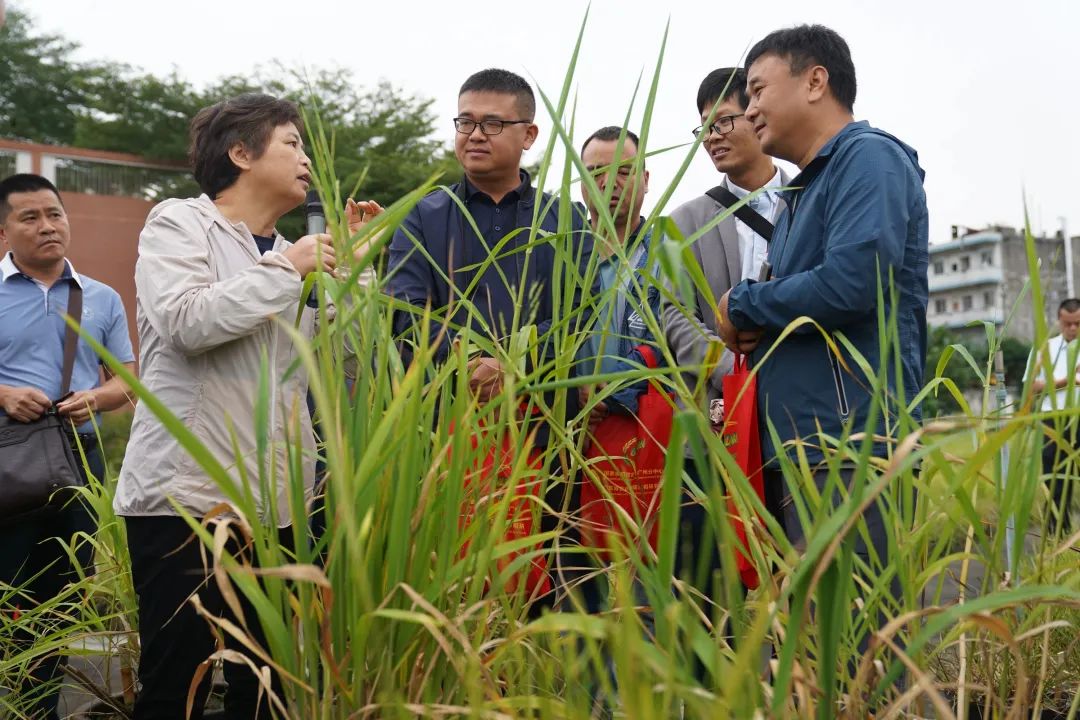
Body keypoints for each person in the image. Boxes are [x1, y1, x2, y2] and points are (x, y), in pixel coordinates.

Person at [114, 93, 380, 718]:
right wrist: (289, 266)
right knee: (178, 685)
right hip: (185, 502)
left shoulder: (296, 253)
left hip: (278, 508)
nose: (306, 159)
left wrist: (357, 273)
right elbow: (185, 320)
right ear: (240, 153)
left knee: (269, 689)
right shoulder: (179, 222)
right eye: (291, 143)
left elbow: (345, 361)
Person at [715, 25, 929, 640]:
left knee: (859, 637)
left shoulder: (869, 159)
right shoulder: (800, 191)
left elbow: (852, 282)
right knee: (813, 642)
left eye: (757, 89)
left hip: (851, 440)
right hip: (800, 441)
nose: (748, 109)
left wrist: (746, 303)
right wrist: (751, 324)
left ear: (815, 81)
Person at [386, 69, 590, 607]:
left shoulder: (563, 218)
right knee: (452, 584)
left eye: (492, 122)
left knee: (547, 581)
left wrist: (517, 362)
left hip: (545, 428)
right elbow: (404, 310)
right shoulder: (424, 217)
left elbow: (584, 313)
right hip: (446, 432)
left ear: (528, 135)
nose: (474, 134)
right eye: (465, 121)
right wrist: (470, 358)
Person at [0, 173, 135, 718]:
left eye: (54, 214)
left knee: (63, 594)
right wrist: (4, 394)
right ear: (4, 229)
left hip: (77, 458)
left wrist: (96, 399)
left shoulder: (100, 297)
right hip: (6, 456)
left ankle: (38, 707)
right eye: (30, 217)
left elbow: (127, 381)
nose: (47, 226)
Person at [662, 66, 791, 599]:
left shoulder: (808, 200)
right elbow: (672, 314)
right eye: (703, 129)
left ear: (757, 117)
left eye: (724, 121)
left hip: (798, 413)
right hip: (722, 418)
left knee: (803, 557)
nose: (712, 138)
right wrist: (728, 367)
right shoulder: (684, 221)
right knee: (721, 575)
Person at [574, 126, 663, 613]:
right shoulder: (558, 254)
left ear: (646, 179)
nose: (609, 184)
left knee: (651, 587)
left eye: (623, 172)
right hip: (568, 441)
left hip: (645, 442)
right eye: (595, 173)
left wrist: (613, 393)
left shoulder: (668, 251)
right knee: (574, 582)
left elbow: (677, 344)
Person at [1025, 298, 1080, 535]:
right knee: (1055, 478)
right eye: (1067, 323)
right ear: (1059, 320)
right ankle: (1059, 533)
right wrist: (1065, 381)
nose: (1072, 329)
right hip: (1053, 419)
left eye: (1078, 323)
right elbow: (1032, 386)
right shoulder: (1046, 349)